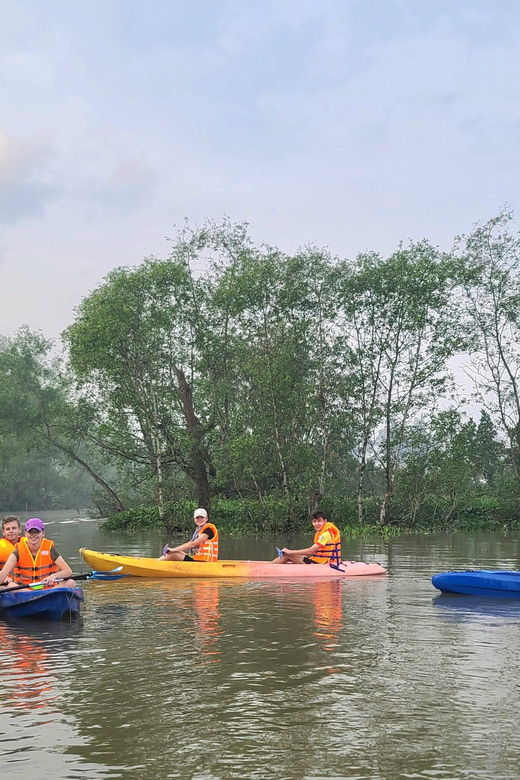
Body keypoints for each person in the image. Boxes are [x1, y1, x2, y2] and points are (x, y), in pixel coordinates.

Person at [0, 517, 76, 589]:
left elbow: (68, 571)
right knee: (10, 585)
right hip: (25, 591)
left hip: (49, 589)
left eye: (37, 532)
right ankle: (32, 596)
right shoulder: (17, 551)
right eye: (30, 532)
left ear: (43, 533)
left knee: (71, 582)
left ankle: (47, 595)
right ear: (25, 533)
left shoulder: (50, 549)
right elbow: (3, 574)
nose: (33, 535)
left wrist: (54, 576)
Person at [272, 510, 341, 566]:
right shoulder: (320, 533)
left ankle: (270, 568)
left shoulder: (326, 534)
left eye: (319, 521)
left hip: (321, 563)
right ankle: (271, 565)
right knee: (287, 556)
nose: (316, 524)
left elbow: (310, 551)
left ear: (325, 521)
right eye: (314, 521)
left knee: (288, 556)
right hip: (317, 560)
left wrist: (290, 552)